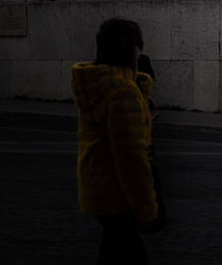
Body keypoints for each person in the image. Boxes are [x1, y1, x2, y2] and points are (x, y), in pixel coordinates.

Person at [74, 17, 159, 264]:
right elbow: (130, 157)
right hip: (117, 195)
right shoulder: (121, 92)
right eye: (136, 47)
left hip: (98, 191)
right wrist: (146, 210)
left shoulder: (97, 84)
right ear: (128, 50)